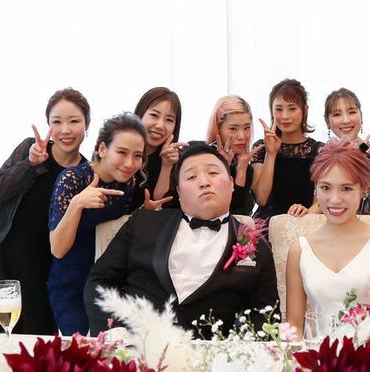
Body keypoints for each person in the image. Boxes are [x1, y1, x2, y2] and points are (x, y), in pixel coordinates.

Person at [84, 143, 279, 337]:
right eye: (191, 177)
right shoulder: (144, 223)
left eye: (213, 173)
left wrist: (235, 350)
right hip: (135, 343)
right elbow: (100, 281)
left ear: (231, 183)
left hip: (210, 351)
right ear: (178, 192)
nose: (204, 182)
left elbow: (266, 312)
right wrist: (115, 331)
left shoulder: (253, 244)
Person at [0, 88, 90, 334]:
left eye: (74, 121)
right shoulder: (30, 149)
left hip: (42, 276)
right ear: (49, 125)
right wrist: (31, 165)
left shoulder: (86, 174)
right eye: (57, 122)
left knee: (35, 347)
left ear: (86, 124)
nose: (65, 130)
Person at [286, 138, 370, 339]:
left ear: (364, 188)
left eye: (346, 188)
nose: (335, 199)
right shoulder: (299, 250)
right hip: (316, 355)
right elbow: (293, 328)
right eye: (325, 188)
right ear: (316, 187)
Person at [48, 113, 147, 335]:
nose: (130, 163)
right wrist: (77, 204)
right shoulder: (72, 179)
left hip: (107, 284)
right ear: (103, 149)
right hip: (71, 285)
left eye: (137, 155)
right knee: (82, 349)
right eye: (122, 152)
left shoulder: (129, 182)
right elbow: (57, 249)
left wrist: (143, 212)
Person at [251, 79, 322, 219]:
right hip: (265, 225)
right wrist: (271, 154)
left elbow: (322, 199)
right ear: (271, 110)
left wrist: (306, 215)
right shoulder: (261, 148)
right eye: (278, 109)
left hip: (304, 221)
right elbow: (261, 199)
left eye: (292, 109)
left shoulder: (319, 150)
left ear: (305, 110)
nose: (285, 116)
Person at [324, 88, 370, 214]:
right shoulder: (324, 155)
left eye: (352, 112)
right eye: (337, 114)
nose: (346, 120)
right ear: (327, 122)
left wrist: (361, 161)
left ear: (361, 116)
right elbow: (319, 202)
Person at [206, 95, 263, 215]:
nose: (242, 136)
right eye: (233, 129)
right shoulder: (203, 159)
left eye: (247, 128)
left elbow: (240, 214)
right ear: (218, 129)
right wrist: (223, 168)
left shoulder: (244, 164)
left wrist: (241, 171)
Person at [133, 87, 185, 205]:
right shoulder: (119, 149)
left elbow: (162, 203)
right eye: (154, 115)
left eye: (169, 120)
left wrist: (166, 165)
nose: (160, 125)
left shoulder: (177, 159)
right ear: (140, 114)